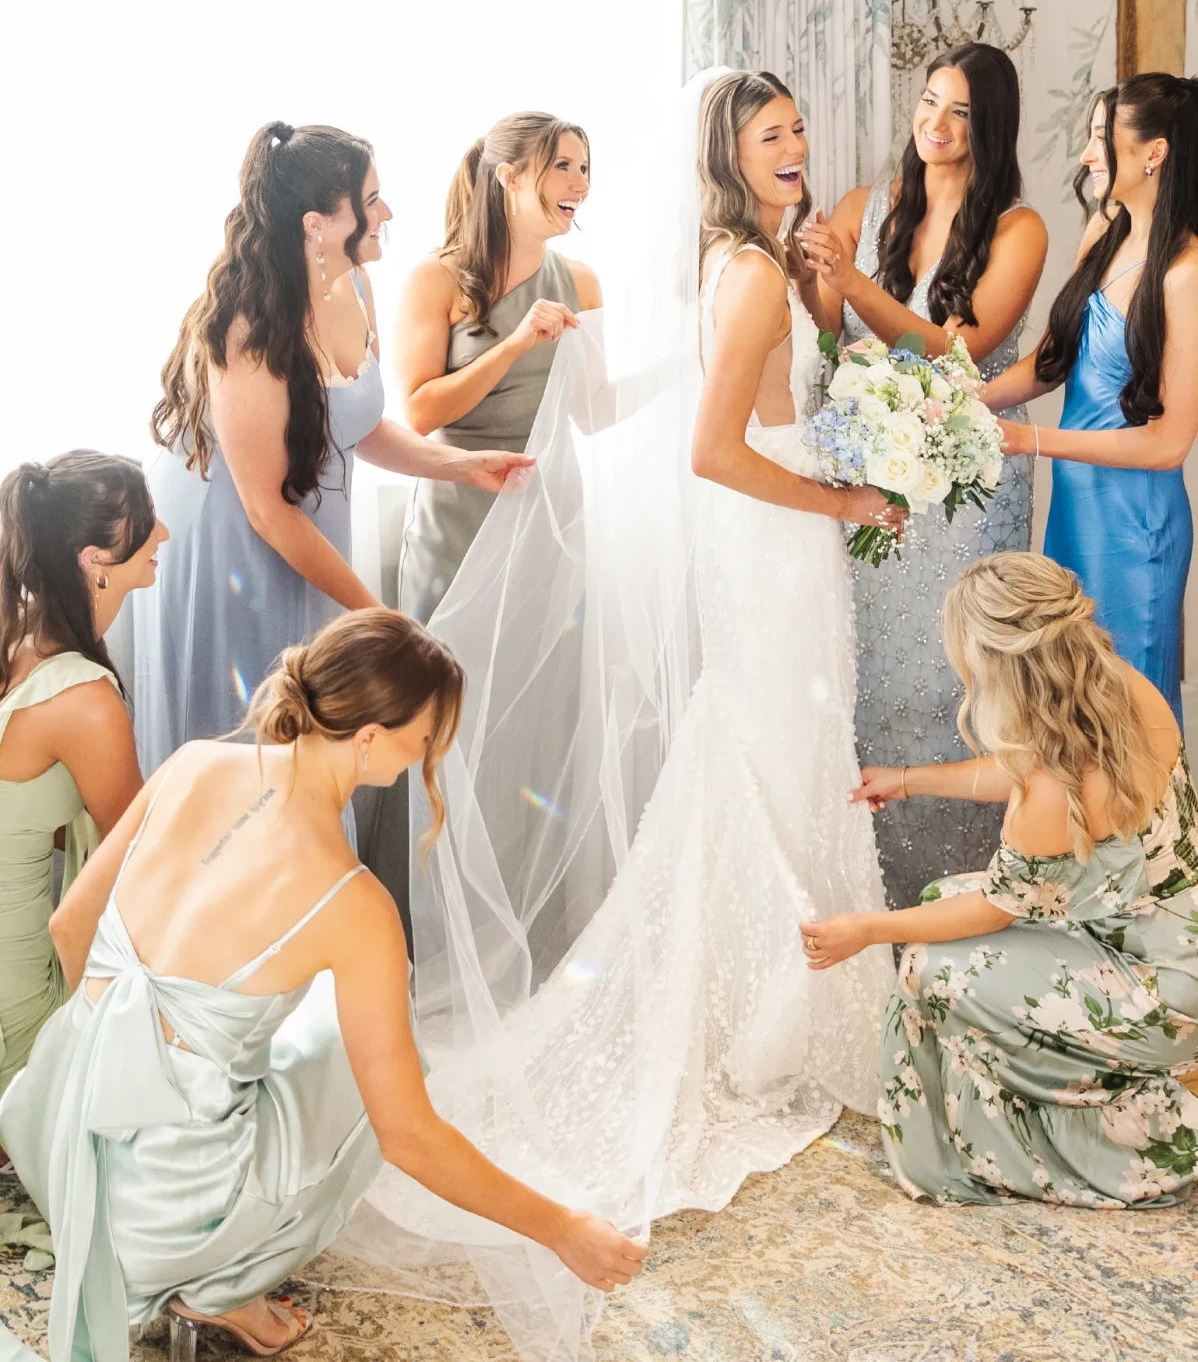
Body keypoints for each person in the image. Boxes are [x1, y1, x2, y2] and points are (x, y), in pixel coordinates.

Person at [344, 69, 897, 1349]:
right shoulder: (464, 279)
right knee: (722, 743)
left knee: (759, 744)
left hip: (632, 518)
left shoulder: (709, 272)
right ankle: (715, 991)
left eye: (802, 131)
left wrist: (698, 364)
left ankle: (775, 984)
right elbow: (417, 414)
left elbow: (640, 414)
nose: (800, 149)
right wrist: (838, 495)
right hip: (485, 518)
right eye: (774, 135)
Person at [0, 609, 645, 1362]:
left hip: (52, 1133)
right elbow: (410, 1137)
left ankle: (189, 1199)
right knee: (373, 1063)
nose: (422, 759)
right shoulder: (353, 902)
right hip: (160, 1216)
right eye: (423, 740)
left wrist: (125, 1069)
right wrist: (561, 1227)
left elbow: (70, 929)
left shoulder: (192, 764)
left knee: (293, 1034)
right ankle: (216, 1280)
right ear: (369, 737)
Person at [130, 121, 532, 796]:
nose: (388, 213)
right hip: (242, 544)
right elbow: (265, 506)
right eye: (371, 200)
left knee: (315, 738)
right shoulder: (247, 327)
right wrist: (372, 613)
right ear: (317, 223)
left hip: (306, 528)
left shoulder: (357, 286)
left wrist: (458, 465)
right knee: (252, 748)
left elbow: (353, 422)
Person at [798, 551, 1198, 1209]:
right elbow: (1026, 769)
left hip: (1160, 994)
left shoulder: (1051, 794)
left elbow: (993, 907)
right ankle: (992, 1114)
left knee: (928, 966)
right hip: (1170, 941)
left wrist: (866, 930)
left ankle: (1050, 1147)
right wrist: (907, 780)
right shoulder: (1121, 688)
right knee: (938, 902)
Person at [801, 43, 1048, 909]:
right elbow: (832, 337)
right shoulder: (870, 206)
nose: (935, 126)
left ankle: (961, 894)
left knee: (956, 673)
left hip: (968, 484)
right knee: (865, 668)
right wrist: (809, 278)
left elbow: (958, 357)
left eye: (960, 114)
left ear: (991, 129)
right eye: (929, 103)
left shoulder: (1019, 230)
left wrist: (853, 288)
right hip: (873, 470)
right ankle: (866, 893)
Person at [357, 113, 601, 916]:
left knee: (534, 726)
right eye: (560, 167)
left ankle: (523, 929)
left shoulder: (584, 285)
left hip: (548, 523)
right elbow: (418, 413)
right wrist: (512, 345)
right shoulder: (437, 279)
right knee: (440, 721)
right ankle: (428, 921)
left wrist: (689, 369)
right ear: (508, 178)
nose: (577, 184)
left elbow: (593, 414)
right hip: (459, 516)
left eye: (583, 169)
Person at [984, 73, 1198, 725]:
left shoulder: (1186, 275)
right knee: (1069, 712)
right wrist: (953, 403)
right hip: (1076, 511)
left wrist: (1032, 440)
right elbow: (1053, 362)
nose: (1085, 154)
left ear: (1152, 153)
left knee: (1127, 720)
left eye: (1100, 138)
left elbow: (1168, 445)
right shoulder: (1105, 229)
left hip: (1136, 527)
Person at [0, 453, 162, 1101]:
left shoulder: (19, 642)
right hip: (17, 984)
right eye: (147, 524)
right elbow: (139, 858)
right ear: (95, 559)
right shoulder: (85, 700)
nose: (165, 535)